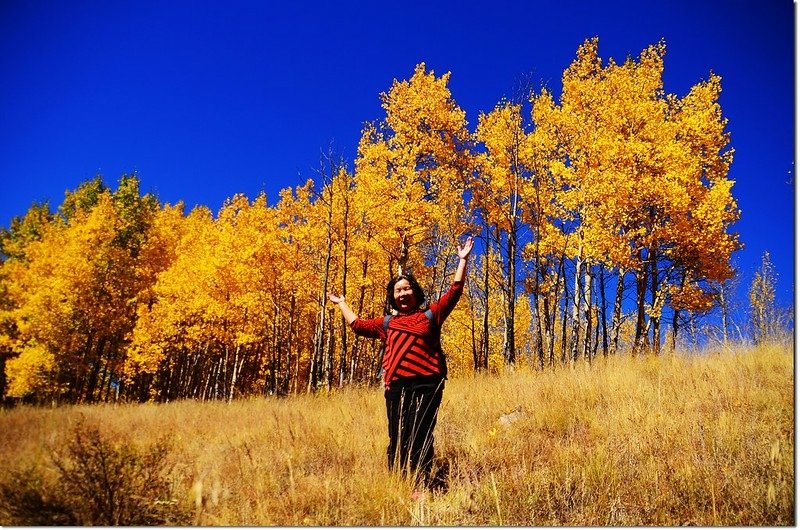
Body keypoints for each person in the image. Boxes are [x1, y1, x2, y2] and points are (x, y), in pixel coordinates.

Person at [327, 236, 474, 488]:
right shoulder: (387, 323)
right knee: (397, 435)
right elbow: (357, 325)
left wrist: (462, 261)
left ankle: (420, 483)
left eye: (407, 289)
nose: (403, 293)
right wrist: (342, 303)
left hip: (429, 384)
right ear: (393, 297)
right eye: (398, 290)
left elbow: (454, 292)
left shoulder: (430, 316)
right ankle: (398, 483)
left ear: (415, 293)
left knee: (421, 433)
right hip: (396, 386)